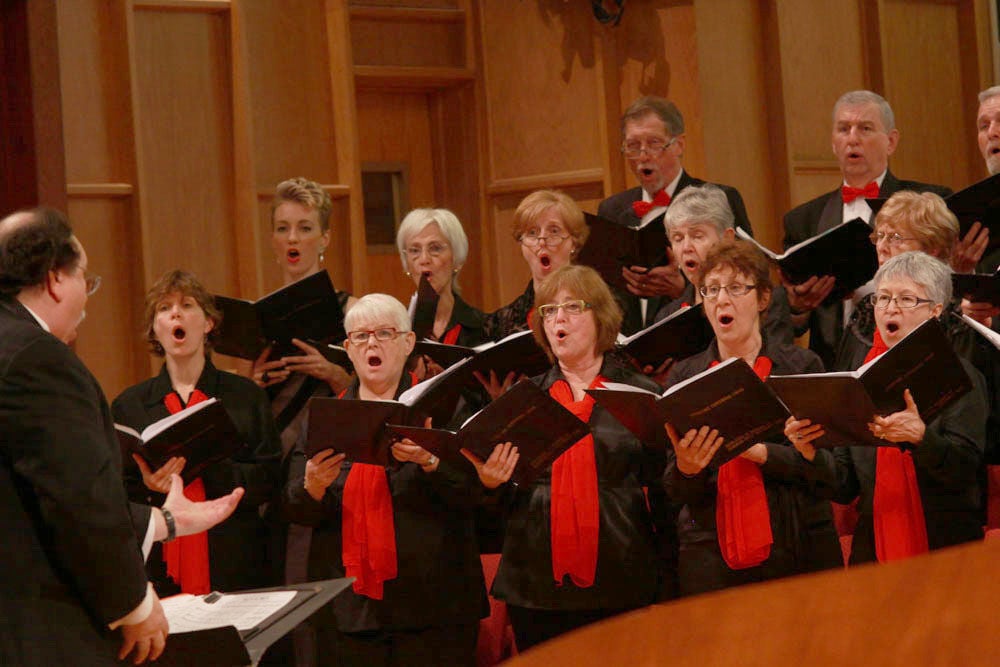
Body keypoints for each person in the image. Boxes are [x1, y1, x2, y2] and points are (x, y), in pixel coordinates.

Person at [0, 208, 242, 665]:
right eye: (85, 282)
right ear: (55, 280)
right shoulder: (38, 358)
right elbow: (76, 499)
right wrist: (135, 603)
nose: (87, 303)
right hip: (35, 630)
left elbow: (27, 490)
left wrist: (165, 522)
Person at [282, 293, 489, 667]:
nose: (371, 344)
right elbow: (295, 506)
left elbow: (478, 495)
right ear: (347, 349)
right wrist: (313, 486)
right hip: (351, 610)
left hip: (434, 608)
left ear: (408, 343)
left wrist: (429, 460)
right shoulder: (323, 417)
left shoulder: (445, 408)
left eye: (384, 333)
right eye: (360, 337)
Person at [486, 264, 671, 651]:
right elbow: (498, 506)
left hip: (621, 575)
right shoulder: (524, 403)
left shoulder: (640, 395)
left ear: (600, 317)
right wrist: (490, 483)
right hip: (535, 586)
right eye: (549, 311)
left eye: (572, 307)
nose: (559, 319)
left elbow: (666, 493)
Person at [662, 240, 841, 596]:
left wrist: (762, 454)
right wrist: (687, 467)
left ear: (762, 299)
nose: (721, 300)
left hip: (798, 548)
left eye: (735, 288)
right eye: (710, 290)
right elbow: (676, 490)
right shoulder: (685, 377)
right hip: (711, 558)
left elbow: (830, 474)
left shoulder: (801, 368)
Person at [787, 251, 987, 564]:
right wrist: (810, 452)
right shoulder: (858, 380)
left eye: (906, 299)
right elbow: (844, 486)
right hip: (874, 552)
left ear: (935, 310)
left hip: (947, 551)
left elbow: (965, 472)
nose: (890, 308)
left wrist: (922, 439)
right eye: (883, 298)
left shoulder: (959, 375)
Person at [112, 270, 282, 597]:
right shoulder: (129, 406)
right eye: (164, 308)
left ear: (208, 324)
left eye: (187, 305)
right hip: (159, 569)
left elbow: (270, 478)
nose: (175, 313)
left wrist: (205, 466)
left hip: (236, 563)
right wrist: (151, 487)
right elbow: (116, 494)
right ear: (155, 330)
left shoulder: (245, 396)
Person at [782, 90, 952, 369]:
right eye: (843, 129)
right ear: (834, 143)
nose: (852, 138)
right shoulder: (802, 220)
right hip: (834, 363)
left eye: (865, 128)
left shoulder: (930, 202)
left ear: (891, 142)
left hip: (915, 358)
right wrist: (799, 306)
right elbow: (792, 322)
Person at [598, 96, 752, 333]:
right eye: (633, 146)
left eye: (654, 143)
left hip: (699, 340)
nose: (643, 155)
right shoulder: (612, 210)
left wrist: (683, 289)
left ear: (678, 145)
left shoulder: (719, 198)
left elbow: (746, 279)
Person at [645, 185, 793, 383]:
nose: (686, 247)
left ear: (727, 238)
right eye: (678, 238)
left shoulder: (769, 299)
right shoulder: (667, 315)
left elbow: (781, 367)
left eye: (697, 236)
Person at [395, 207, 485, 376]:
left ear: (456, 259)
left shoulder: (481, 326)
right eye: (414, 250)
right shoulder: (395, 330)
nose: (424, 259)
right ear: (407, 264)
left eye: (435, 248)